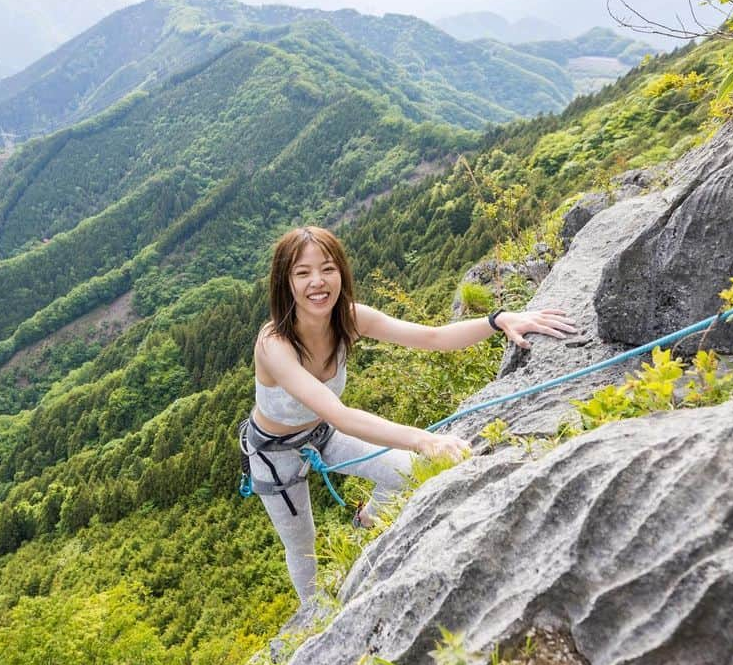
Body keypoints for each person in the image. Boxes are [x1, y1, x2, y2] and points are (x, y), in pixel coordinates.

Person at [243, 226, 575, 602]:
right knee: (302, 543)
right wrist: (424, 439)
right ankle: (311, 615)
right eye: (302, 273)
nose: (317, 282)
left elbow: (431, 338)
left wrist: (497, 321)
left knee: (408, 472)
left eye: (328, 269)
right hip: (274, 454)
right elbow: (339, 413)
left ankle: (366, 520)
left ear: (342, 274)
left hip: (323, 436)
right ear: (284, 282)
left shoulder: (349, 319)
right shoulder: (274, 344)